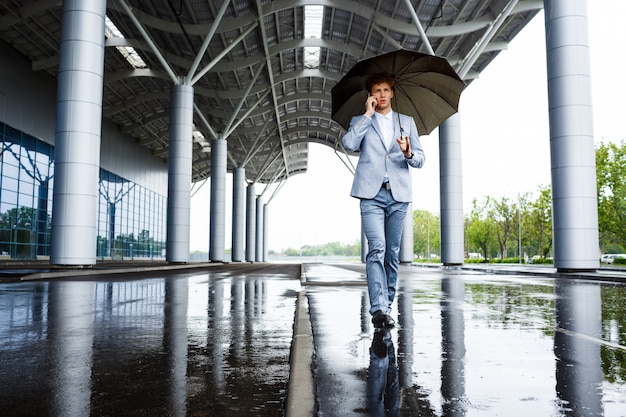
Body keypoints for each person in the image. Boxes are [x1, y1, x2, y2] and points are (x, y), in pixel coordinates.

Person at [342, 72, 425, 329]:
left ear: (393, 93)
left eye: (386, 90)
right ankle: (378, 308)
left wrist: (407, 151)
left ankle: (386, 304)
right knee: (376, 249)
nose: (381, 95)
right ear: (371, 95)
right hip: (371, 195)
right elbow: (348, 143)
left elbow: (420, 159)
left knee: (392, 254)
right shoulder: (361, 120)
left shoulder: (406, 122)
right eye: (377, 91)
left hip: (398, 195)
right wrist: (367, 115)